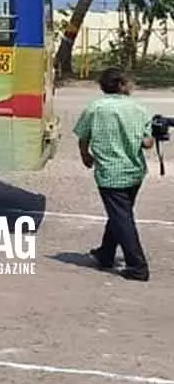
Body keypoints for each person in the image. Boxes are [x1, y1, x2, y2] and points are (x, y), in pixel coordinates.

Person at [73, 67, 155, 281]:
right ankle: (106, 254)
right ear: (121, 85)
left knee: (121, 216)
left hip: (110, 173)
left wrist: (86, 156)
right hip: (134, 171)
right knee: (120, 213)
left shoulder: (95, 108)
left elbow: (82, 136)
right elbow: (147, 143)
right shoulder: (138, 109)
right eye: (129, 82)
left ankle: (137, 266)